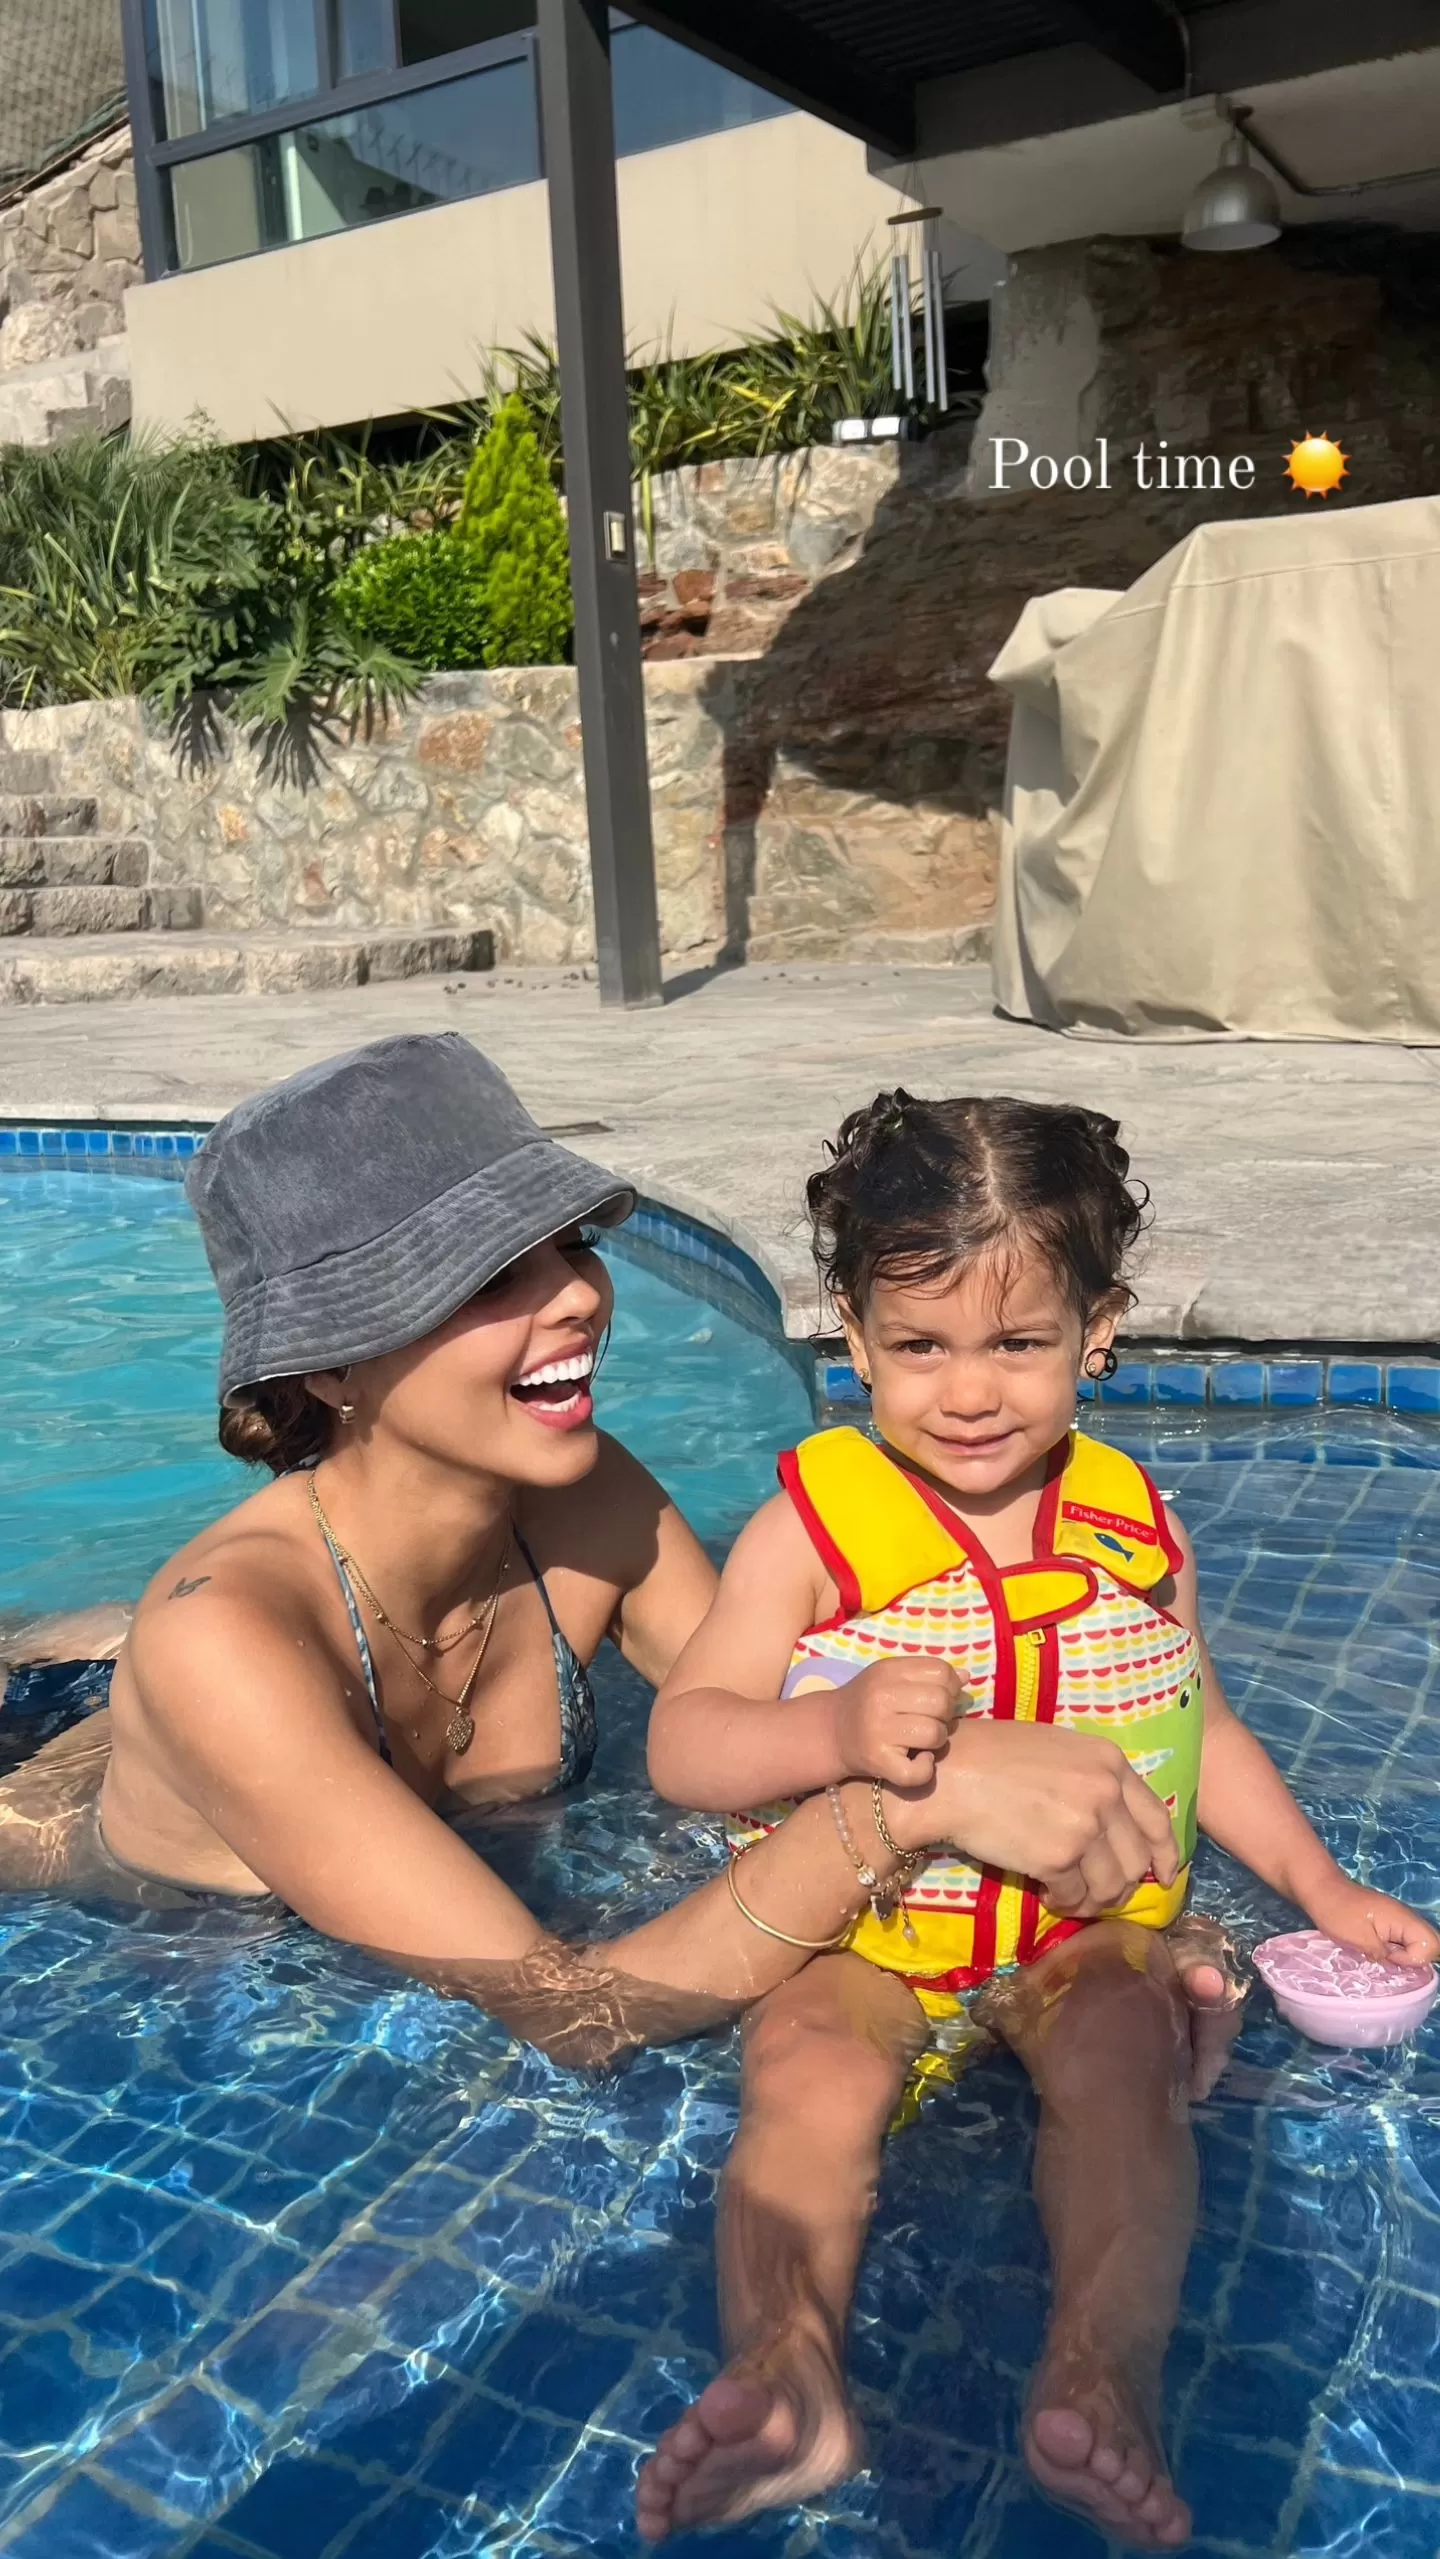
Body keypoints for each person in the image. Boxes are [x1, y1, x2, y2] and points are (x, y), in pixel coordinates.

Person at [0, 1039, 1186, 2074]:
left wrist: (1133, 1922)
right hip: (144, 1889)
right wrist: (924, 1808)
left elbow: (789, 1727)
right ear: (324, 1361)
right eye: (490, 1278)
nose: (575, 1295)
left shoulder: (583, 1498)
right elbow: (578, 2013)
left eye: (568, 1246)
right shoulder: (228, 1646)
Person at [639, 1091, 1440, 2549]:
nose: (967, 1391)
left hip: (1075, 1934)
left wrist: (1318, 1884)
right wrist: (829, 1730)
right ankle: (790, 2361)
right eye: (919, 1345)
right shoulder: (811, 1526)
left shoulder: (1136, 1520)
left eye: (1018, 1342)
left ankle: (1101, 2368)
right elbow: (685, 1741)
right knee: (804, 2064)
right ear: (850, 1324)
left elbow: (1201, 1730)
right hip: (866, 1935)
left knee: (1130, 2061)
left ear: (1103, 1323)